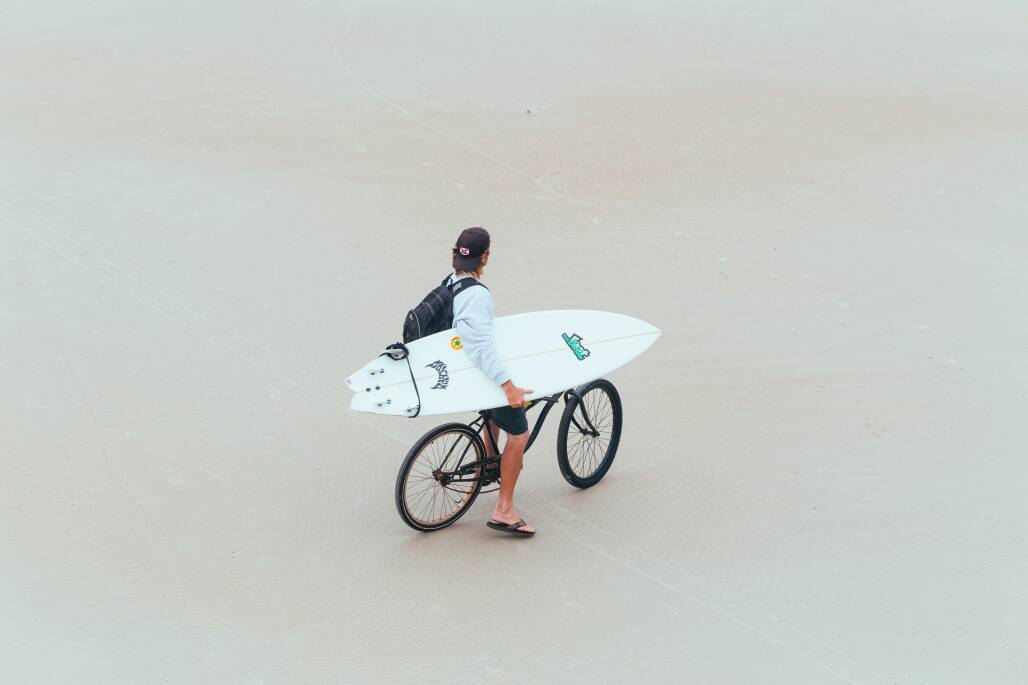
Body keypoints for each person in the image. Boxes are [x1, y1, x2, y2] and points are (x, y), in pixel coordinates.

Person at [448, 227, 536, 537]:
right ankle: (504, 510)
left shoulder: (450, 285)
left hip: (456, 370)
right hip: (477, 375)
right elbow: (481, 347)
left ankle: (487, 462)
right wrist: (508, 386)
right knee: (519, 433)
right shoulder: (477, 295)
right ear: (485, 256)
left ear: (454, 253)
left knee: (495, 413)